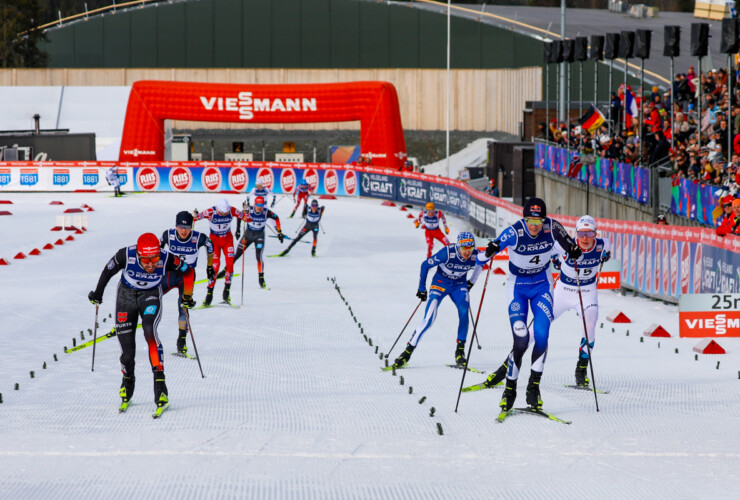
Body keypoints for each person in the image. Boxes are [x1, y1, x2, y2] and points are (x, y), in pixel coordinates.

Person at [472, 198, 581, 411]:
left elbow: (570, 246)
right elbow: (483, 257)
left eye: (538, 221)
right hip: (518, 289)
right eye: (530, 220)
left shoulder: (552, 227)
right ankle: (510, 388)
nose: (534, 226)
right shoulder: (514, 232)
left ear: (544, 220)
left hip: (542, 286)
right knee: (520, 340)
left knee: (541, 335)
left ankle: (533, 387)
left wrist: (574, 251)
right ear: (524, 218)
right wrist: (490, 250)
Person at [87, 233, 193, 413]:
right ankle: (128, 380)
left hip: (150, 295)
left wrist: (187, 296)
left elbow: (188, 271)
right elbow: (107, 271)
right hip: (125, 297)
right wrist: (98, 294)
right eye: (146, 260)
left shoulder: (166, 257)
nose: (151, 265)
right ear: (138, 255)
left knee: (149, 331)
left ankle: (160, 386)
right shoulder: (125, 255)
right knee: (127, 352)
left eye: (155, 259)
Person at [392, 232, 481, 369]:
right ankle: (407, 352)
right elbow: (425, 265)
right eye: (464, 248)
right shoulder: (447, 252)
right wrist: (422, 288)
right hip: (440, 283)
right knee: (429, 319)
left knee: (464, 312)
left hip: (459, 285)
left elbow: (481, 264)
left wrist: (471, 282)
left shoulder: (476, 254)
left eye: (470, 248)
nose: (467, 252)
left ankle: (460, 352)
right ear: (458, 246)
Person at [550, 216, 611, 387]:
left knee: (590, 326)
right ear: (576, 233)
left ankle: (581, 369)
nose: (585, 238)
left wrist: (606, 255)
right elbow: (552, 249)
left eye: (589, 233)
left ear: (595, 233)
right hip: (564, 291)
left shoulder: (601, 244)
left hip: (587, 292)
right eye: (582, 233)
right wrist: (555, 259)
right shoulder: (566, 245)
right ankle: (512, 362)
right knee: (541, 325)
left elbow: (607, 244)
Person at [160, 211, 215, 355]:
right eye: (180, 227)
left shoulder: (199, 238)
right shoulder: (168, 235)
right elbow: (159, 250)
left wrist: (210, 266)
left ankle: (181, 341)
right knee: (151, 295)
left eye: (187, 227)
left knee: (183, 307)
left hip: (187, 276)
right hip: (170, 274)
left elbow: (210, 246)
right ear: (176, 226)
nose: (184, 231)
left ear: (192, 226)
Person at [194, 199, 251, 305]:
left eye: (226, 212)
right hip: (215, 242)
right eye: (223, 212)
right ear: (218, 209)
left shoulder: (231, 210)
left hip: (227, 241)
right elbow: (195, 218)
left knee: (230, 265)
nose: (225, 214)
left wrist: (246, 211)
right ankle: (209, 294)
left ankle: (226, 291)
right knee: (215, 268)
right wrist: (194, 215)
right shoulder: (211, 212)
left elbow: (247, 219)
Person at [231, 196, 284, 288]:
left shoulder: (266, 212)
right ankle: (225, 270)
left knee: (258, 257)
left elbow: (276, 218)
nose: (259, 207)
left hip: (259, 236)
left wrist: (279, 232)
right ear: (254, 204)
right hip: (248, 235)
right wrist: (238, 230)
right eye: (258, 205)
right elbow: (239, 216)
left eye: (261, 205)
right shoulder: (249, 210)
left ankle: (261, 278)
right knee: (237, 254)